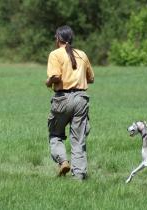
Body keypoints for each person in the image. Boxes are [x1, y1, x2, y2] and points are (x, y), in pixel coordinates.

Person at [46, 25, 94, 180]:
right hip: (81, 99)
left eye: (55, 37)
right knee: (78, 139)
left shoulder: (55, 54)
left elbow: (55, 77)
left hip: (62, 99)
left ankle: (63, 161)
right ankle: (79, 176)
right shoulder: (82, 54)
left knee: (55, 134)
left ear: (59, 38)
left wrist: (48, 82)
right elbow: (91, 78)